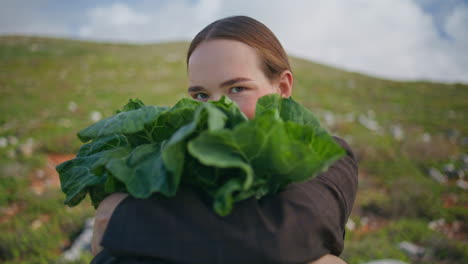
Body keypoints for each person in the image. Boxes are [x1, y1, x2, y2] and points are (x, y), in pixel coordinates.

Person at [91, 16, 358, 264]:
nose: (215, 110)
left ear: (282, 88)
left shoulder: (326, 153)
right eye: (201, 96)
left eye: (237, 89)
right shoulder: (177, 154)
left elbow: (291, 235)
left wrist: (123, 218)